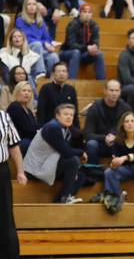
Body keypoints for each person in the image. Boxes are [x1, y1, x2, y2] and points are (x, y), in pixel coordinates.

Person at [23, 103, 87, 204]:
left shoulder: (64, 129)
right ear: (57, 116)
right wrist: (81, 152)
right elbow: (66, 152)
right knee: (73, 161)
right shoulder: (53, 127)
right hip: (35, 169)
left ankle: (60, 200)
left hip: (47, 165)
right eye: (65, 114)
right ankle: (64, 197)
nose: (69, 117)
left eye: (71, 115)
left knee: (81, 176)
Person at [83, 80, 132, 164]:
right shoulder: (95, 107)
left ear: (120, 92)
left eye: (117, 90)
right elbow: (87, 134)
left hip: (119, 144)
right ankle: (92, 173)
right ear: (105, 91)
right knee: (91, 144)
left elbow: (131, 130)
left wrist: (115, 137)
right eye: (111, 90)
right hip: (100, 144)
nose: (114, 93)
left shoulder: (125, 108)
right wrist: (104, 138)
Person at [0, 104, 26, 259]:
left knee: (5, 214)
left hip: (1, 170)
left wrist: (20, 171)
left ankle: (9, 254)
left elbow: (14, 145)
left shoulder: (4, 116)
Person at [15, 0, 60, 74]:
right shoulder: (20, 20)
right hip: (26, 48)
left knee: (53, 56)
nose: (32, 6)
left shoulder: (41, 21)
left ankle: (52, 78)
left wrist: (49, 44)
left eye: (34, 4)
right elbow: (26, 38)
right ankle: (40, 73)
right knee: (37, 44)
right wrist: (43, 43)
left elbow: (47, 38)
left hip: (41, 49)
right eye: (29, 4)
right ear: (25, 7)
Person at [61, 4, 106, 80]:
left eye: (89, 12)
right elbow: (71, 45)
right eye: (85, 12)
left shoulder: (94, 25)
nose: (87, 15)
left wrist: (94, 48)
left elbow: (96, 41)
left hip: (84, 53)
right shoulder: (72, 24)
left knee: (99, 54)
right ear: (80, 13)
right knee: (76, 52)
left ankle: (101, 82)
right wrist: (87, 48)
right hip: (68, 52)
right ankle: (72, 81)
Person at [6, 83, 37, 155]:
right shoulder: (15, 106)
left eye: (29, 91)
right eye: (24, 90)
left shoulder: (28, 109)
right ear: (17, 92)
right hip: (16, 142)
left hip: (27, 140)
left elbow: (34, 127)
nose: (27, 93)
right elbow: (27, 130)